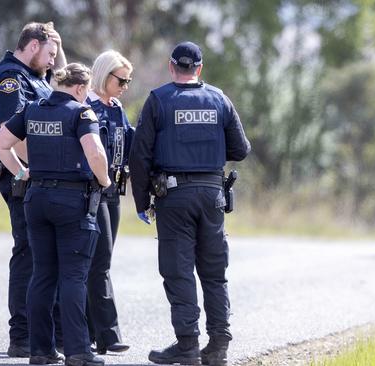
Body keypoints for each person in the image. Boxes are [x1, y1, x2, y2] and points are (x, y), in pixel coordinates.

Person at [129, 41, 251, 366]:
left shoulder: (158, 100)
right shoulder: (219, 99)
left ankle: (187, 345)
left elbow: (139, 155)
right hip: (212, 195)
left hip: (174, 197)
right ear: (200, 68)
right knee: (214, 272)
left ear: (171, 67)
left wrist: (141, 202)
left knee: (178, 270)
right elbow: (240, 149)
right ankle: (218, 345)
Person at [0, 63, 110, 366]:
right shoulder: (81, 113)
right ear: (81, 88)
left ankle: (40, 350)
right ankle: (78, 351)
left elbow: (0, 143)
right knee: (73, 276)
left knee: (42, 275)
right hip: (72, 201)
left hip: (36, 199)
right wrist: (106, 181)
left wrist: (21, 173)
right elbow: (95, 152)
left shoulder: (32, 109)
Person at [0, 21, 66, 358]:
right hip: (22, 177)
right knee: (28, 253)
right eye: (49, 53)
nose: (52, 61)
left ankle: (51, 333)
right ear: (32, 46)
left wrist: (58, 50)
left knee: (48, 254)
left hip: (43, 177)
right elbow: (12, 131)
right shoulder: (10, 78)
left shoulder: (38, 76)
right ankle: (21, 336)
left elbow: (67, 85)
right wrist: (30, 170)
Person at [84, 50, 133, 355]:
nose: (126, 86)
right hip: (92, 191)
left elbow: (129, 141)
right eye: (122, 80)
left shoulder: (116, 108)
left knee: (101, 262)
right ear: (105, 75)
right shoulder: (85, 106)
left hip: (114, 191)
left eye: (129, 81)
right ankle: (108, 335)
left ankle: (88, 332)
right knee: (99, 263)